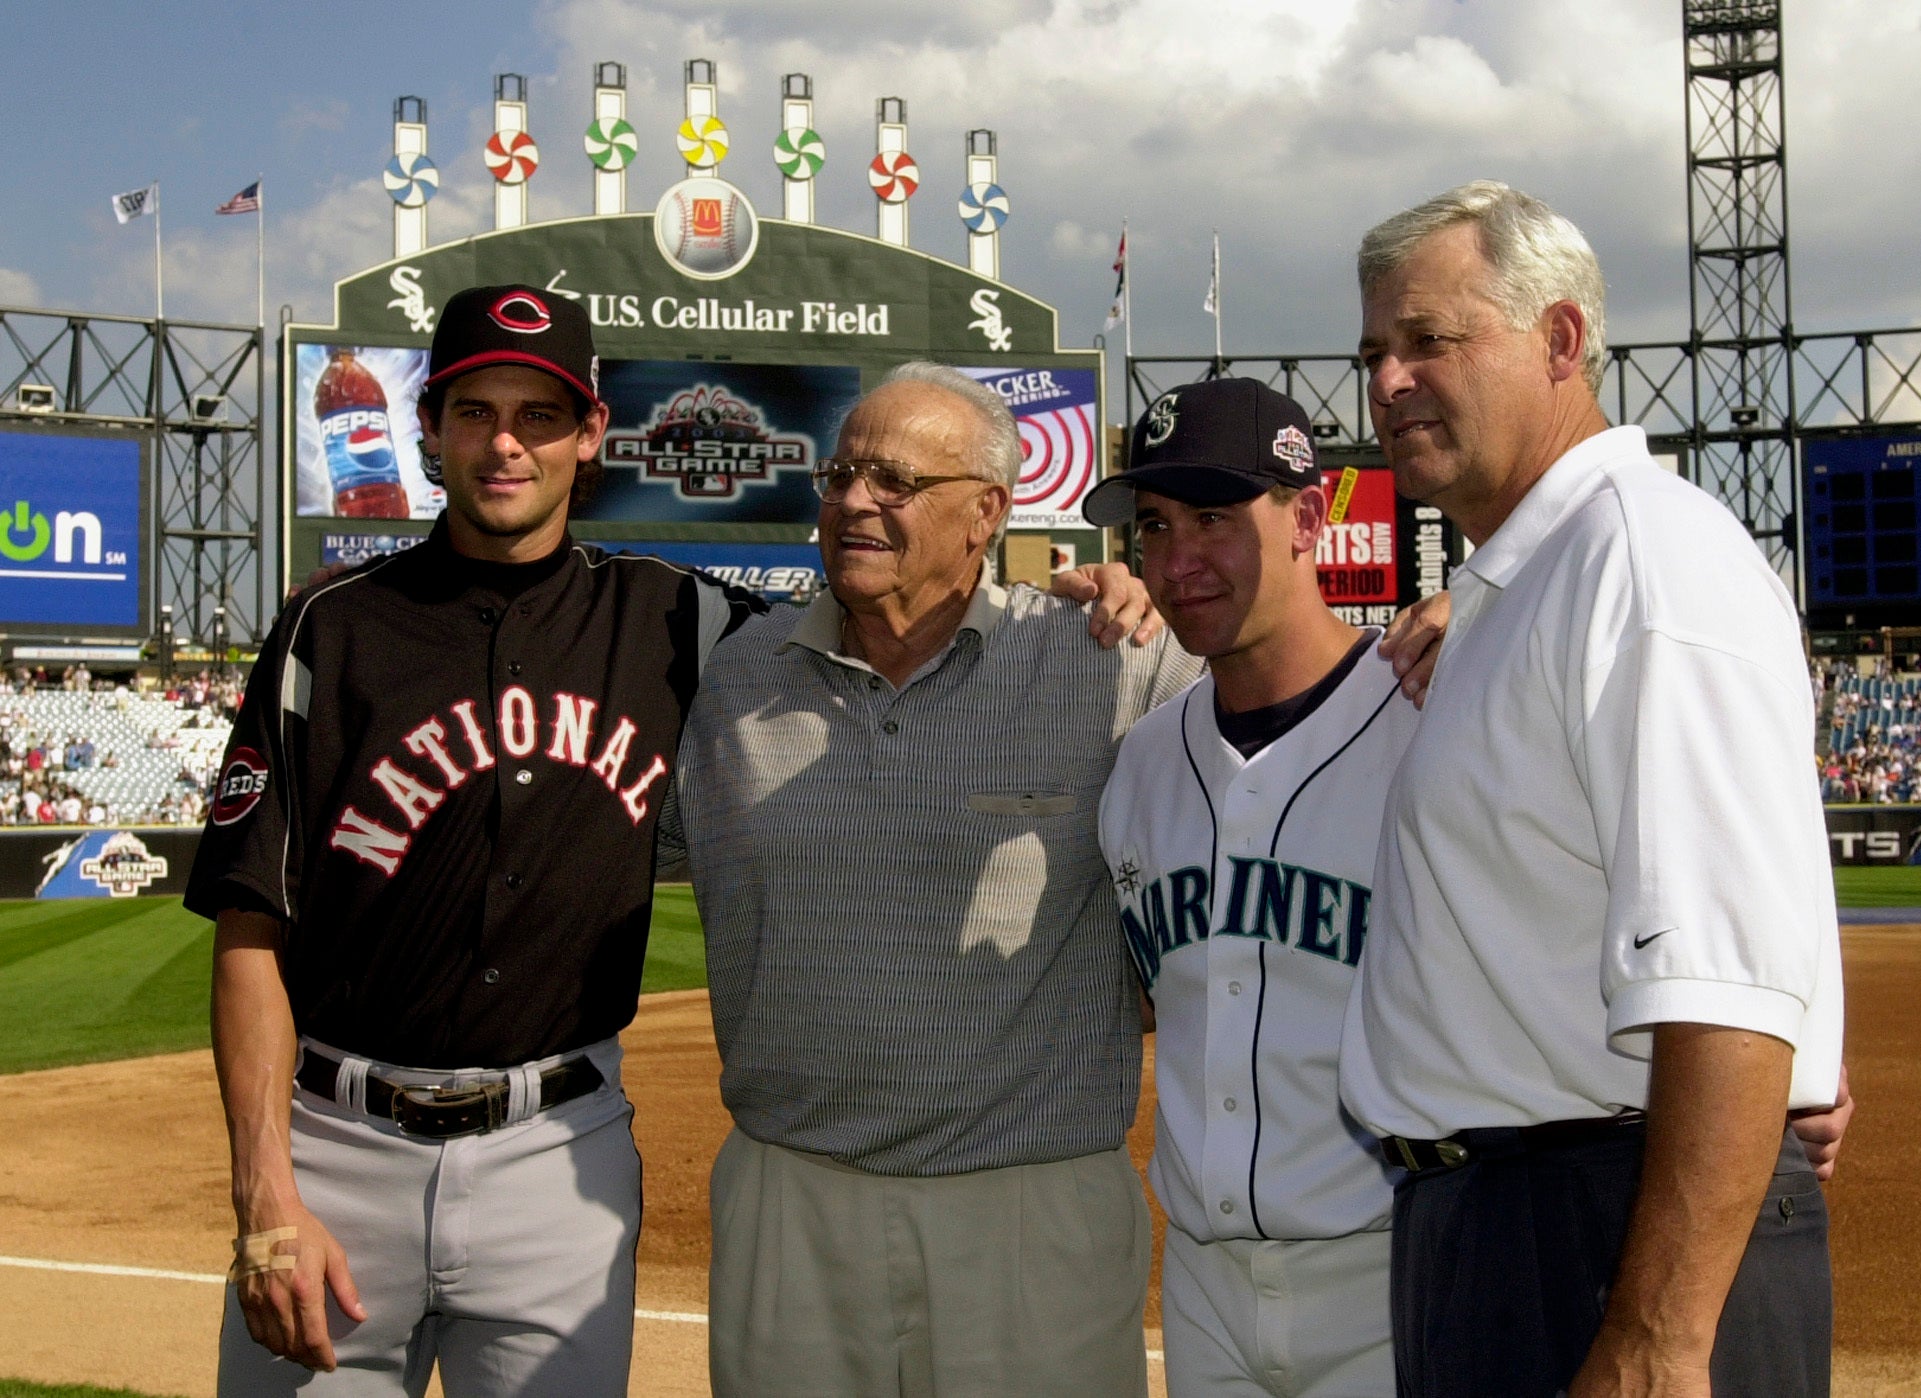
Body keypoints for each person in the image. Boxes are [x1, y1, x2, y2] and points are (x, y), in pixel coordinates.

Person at [183, 284, 768, 1394]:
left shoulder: (676, 617)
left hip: (559, 1161)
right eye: (474, 413)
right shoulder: (331, 627)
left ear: (589, 433)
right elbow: (249, 924)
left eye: (538, 415)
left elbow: (878, 618)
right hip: (334, 1153)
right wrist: (265, 1197)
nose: (505, 444)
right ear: (431, 431)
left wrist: (1081, 593)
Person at [1338, 181, 1849, 1397]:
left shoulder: (1645, 556)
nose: (1388, 381)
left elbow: (1724, 978)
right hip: (1512, 1215)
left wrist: (1656, 1340)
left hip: (1600, 1231)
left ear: (1559, 341)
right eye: (1374, 352)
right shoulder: (1535, 580)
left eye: (1428, 341)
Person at [669, 362, 1206, 1397]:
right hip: (792, 1200)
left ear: (986, 513)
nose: (854, 501)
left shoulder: (1109, 657)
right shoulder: (734, 674)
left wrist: (1440, 640)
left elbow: (1288, 727)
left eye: (894, 482)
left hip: (1029, 1210)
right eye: (839, 476)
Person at [1088, 376, 1425, 1396]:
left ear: (1307, 519)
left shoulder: (1429, 719)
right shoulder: (1140, 764)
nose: (1176, 558)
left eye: (1212, 518)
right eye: (1151, 525)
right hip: (1198, 1282)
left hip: (1391, 1265)